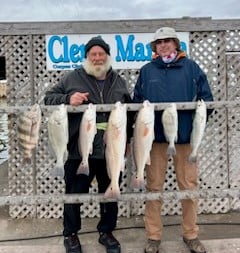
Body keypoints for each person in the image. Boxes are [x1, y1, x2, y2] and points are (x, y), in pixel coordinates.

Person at [44, 36, 133, 253]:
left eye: (101, 53)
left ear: (107, 56)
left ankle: (107, 232)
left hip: (110, 148)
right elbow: (48, 98)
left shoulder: (118, 81)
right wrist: (68, 98)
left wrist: (128, 140)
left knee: (110, 190)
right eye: (93, 54)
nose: (97, 58)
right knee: (74, 193)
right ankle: (71, 234)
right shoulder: (72, 78)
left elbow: (129, 113)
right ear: (86, 57)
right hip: (78, 148)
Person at [133, 27, 213, 253]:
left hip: (186, 140)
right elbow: (137, 102)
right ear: (154, 47)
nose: (164, 44)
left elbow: (207, 102)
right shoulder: (147, 71)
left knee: (188, 187)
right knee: (153, 188)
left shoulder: (192, 68)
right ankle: (153, 237)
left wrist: (193, 125)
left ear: (176, 44)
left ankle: (191, 234)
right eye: (159, 42)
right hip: (155, 141)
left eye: (168, 41)